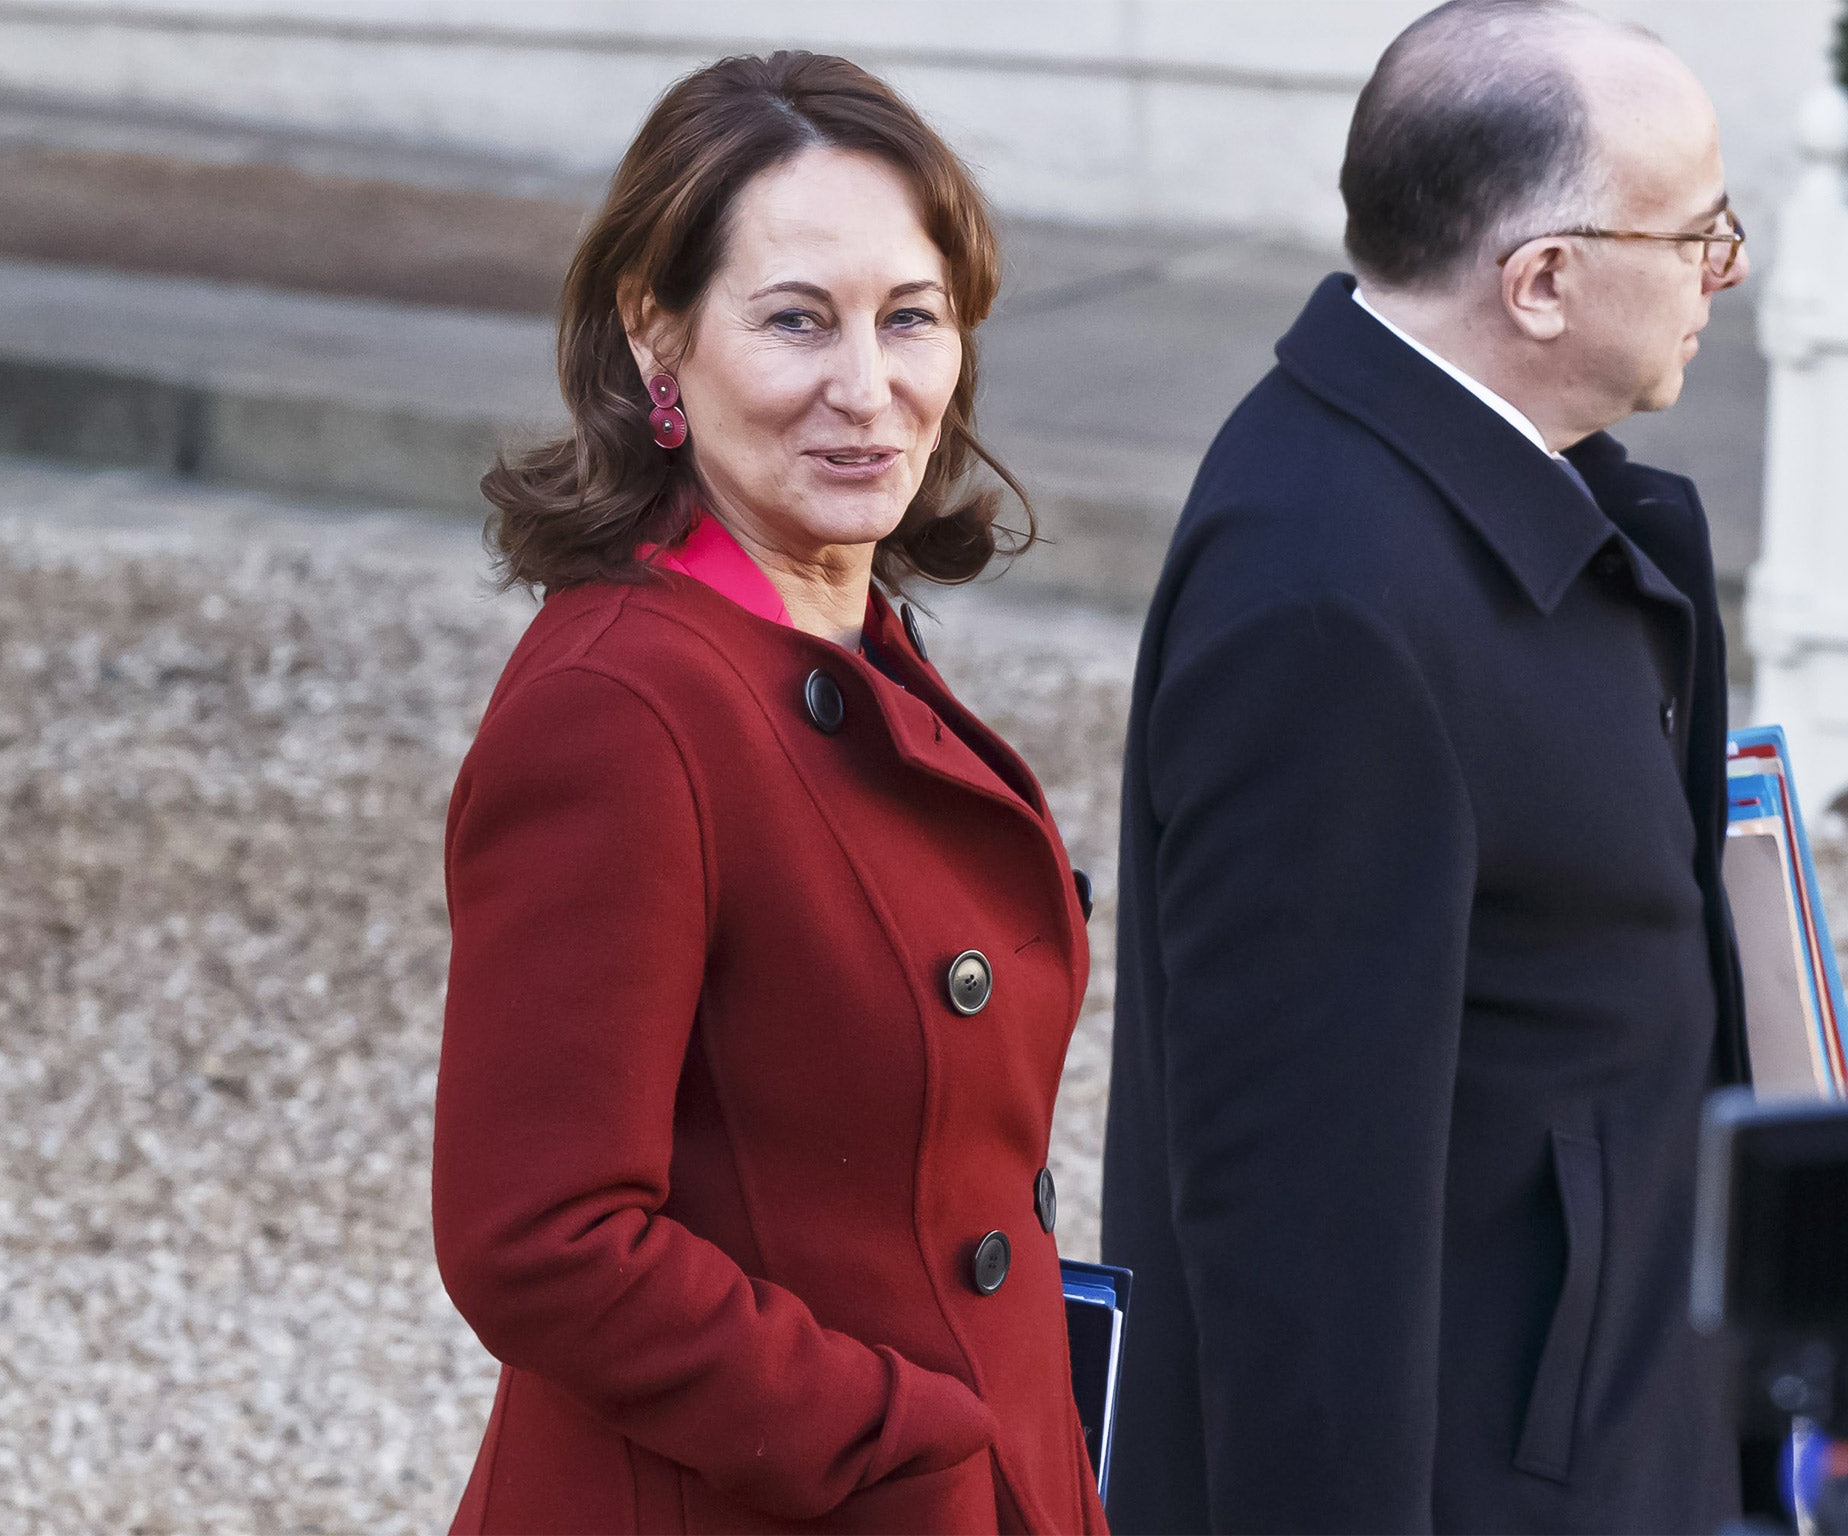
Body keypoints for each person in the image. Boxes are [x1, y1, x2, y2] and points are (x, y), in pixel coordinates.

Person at [433, 50, 1108, 1536]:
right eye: (797, 321)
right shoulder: (618, 710)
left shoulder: (842, 630)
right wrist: (904, 1439)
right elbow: (536, 1238)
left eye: (910, 319)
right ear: (655, 335)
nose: (866, 390)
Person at [1100, 2, 1752, 1530]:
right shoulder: (1325, 600)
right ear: (1541, 281)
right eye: (1698, 232)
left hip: (1609, 1424)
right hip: (1503, 1484)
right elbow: (1294, 1233)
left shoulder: (1487, 482)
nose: (1726, 269)